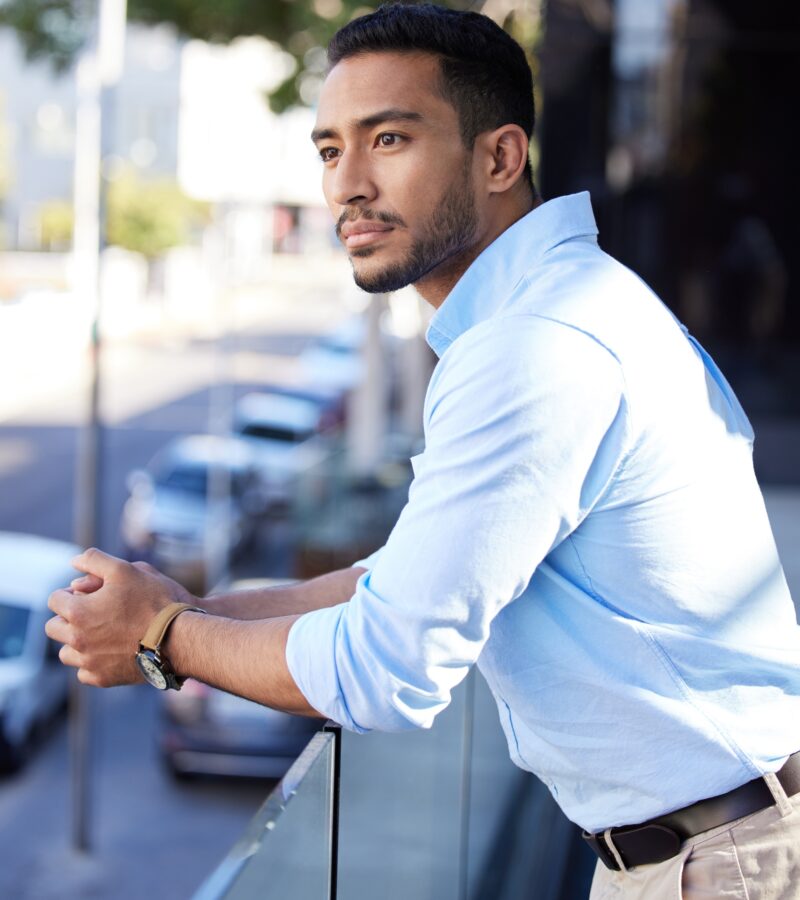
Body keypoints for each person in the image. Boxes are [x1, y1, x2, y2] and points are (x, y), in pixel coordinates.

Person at [47, 5, 800, 897]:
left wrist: (161, 638)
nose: (347, 185)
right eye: (330, 151)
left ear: (499, 158)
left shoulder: (537, 343)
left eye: (389, 139)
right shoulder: (561, 305)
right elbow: (401, 577)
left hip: (729, 864)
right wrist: (203, 606)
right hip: (713, 842)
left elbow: (386, 669)